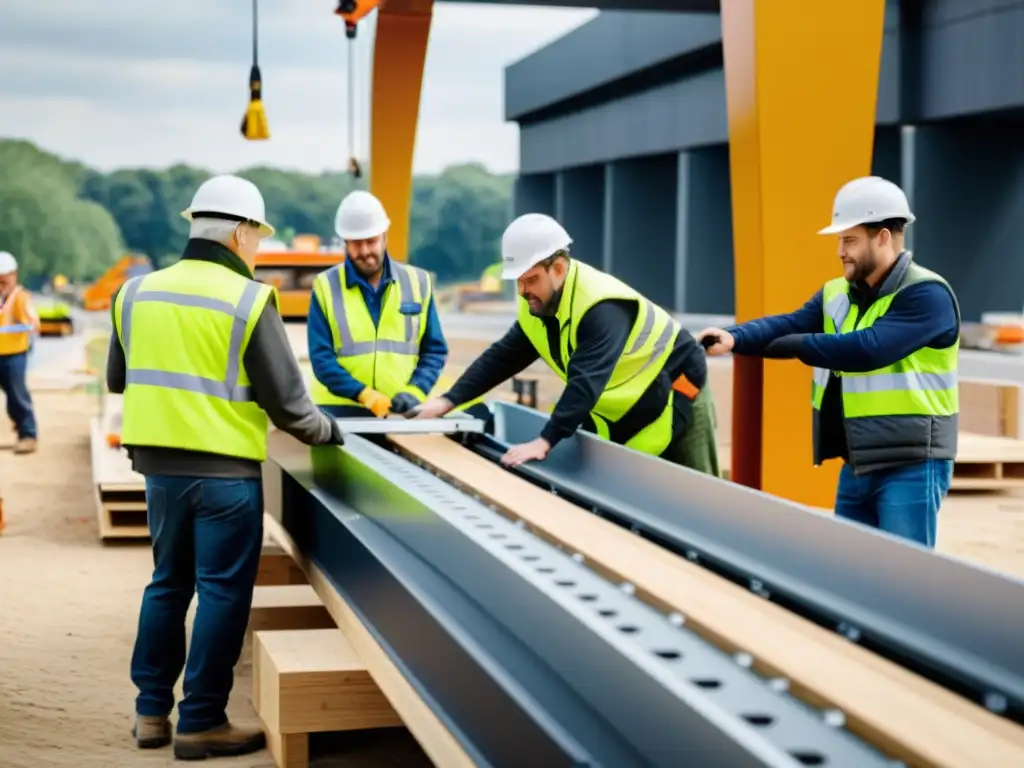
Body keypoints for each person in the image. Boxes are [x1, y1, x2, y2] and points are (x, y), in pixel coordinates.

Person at [105, 175, 345, 760]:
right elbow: (291, 407)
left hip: (159, 473)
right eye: (257, 237)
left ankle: (151, 714)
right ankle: (202, 723)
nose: (258, 248)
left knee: (167, 586)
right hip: (226, 479)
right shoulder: (249, 300)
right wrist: (335, 433)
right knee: (220, 593)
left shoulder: (134, 294)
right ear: (240, 233)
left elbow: (118, 379)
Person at [697, 176, 959, 549]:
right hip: (856, 463)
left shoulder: (926, 294)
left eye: (849, 240)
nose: (840, 251)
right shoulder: (838, 292)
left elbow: (868, 349)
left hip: (911, 464)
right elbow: (789, 323)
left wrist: (798, 345)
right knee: (850, 571)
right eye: (840, 240)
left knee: (905, 580)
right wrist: (735, 337)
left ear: (883, 237)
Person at [413, 213, 719, 474]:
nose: (522, 290)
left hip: (679, 392)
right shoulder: (538, 302)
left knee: (697, 499)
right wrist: (448, 401)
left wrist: (544, 441)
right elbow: (504, 357)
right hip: (630, 407)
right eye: (517, 281)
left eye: (530, 279)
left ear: (558, 268)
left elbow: (585, 382)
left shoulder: (601, 307)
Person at [307, 190, 448, 419]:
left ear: (385, 237)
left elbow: (434, 350)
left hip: (399, 412)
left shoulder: (418, 283)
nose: (364, 251)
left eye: (371, 241)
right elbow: (321, 358)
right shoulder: (325, 286)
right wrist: (363, 394)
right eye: (356, 243)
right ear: (345, 243)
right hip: (339, 412)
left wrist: (414, 391)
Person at [0, 250, 39, 455]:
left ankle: (28, 434)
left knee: (17, 395)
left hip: (14, 354)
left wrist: (20, 326)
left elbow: (33, 323)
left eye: (3, 281)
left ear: (13, 276)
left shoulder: (20, 298)